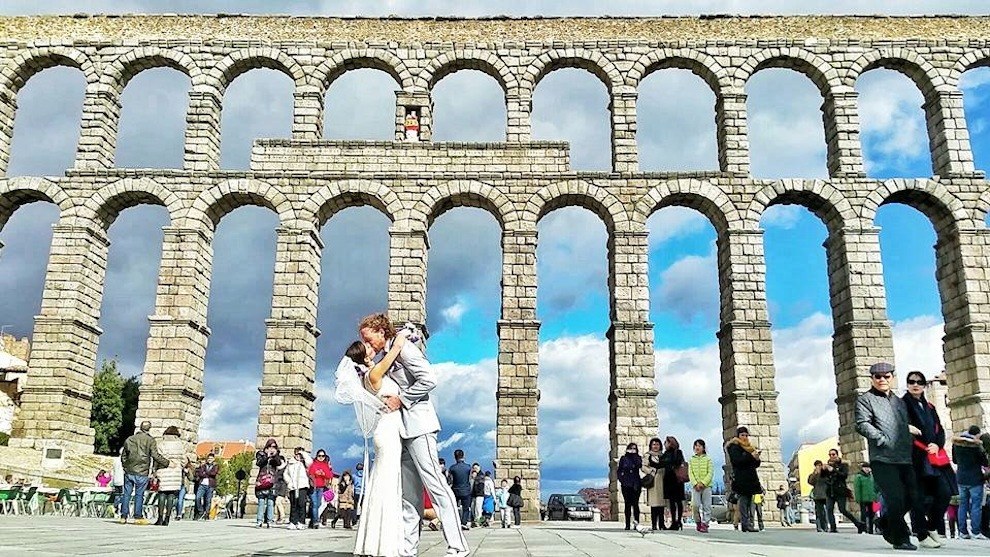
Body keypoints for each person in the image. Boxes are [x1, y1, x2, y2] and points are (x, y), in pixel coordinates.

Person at [358, 314, 469, 557]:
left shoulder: (405, 349)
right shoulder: (389, 353)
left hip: (420, 426)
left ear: (380, 331)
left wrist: (402, 399)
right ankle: (408, 550)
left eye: (368, 338)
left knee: (436, 485)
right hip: (401, 432)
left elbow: (429, 379)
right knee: (409, 495)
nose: (367, 343)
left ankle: (458, 546)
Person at [348, 325, 417, 555]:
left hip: (386, 429)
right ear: (363, 356)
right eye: (367, 346)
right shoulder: (374, 374)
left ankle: (375, 543)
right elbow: (395, 350)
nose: (372, 347)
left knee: (383, 483)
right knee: (387, 485)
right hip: (387, 432)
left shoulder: (371, 373)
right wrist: (402, 335)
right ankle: (386, 545)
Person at [855, 361, 931, 550]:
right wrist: (882, 439)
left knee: (912, 497)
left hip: (904, 457)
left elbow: (903, 424)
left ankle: (884, 521)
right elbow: (862, 424)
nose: (882, 379)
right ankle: (900, 538)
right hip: (882, 458)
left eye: (886, 376)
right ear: (872, 378)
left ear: (892, 378)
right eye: (878, 376)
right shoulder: (865, 400)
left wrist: (909, 437)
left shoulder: (899, 401)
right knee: (895, 498)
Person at [903, 370, 952, 545]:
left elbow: (940, 429)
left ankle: (932, 527)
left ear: (924, 385)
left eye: (919, 382)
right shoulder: (902, 404)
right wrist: (906, 427)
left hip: (932, 457)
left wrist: (937, 445)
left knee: (944, 493)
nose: (915, 385)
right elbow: (895, 425)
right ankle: (922, 535)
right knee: (918, 497)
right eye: (911, 381)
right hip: (914, 457)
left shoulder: (930, 407)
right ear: (907, 385)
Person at [119, 421, 169, 525]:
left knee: (126, 494)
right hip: (142, 471)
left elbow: (123, 455)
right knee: (139, 495)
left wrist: (126, 467)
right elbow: (155, 455)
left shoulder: (130, 439)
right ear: (149, 428)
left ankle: (123, 516)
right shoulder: (150, 440)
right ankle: (138, 517)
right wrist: (167, 462)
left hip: (129, 471)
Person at [953, 425, 989, 539]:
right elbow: (984, 462)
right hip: (975, 479)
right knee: (976, 506)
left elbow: (954, 460)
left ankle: (962, 532)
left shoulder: (956, 444)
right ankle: (976, 532)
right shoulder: (976, 445)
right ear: (977, 434)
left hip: (961, 478)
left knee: (962, 505)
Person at [725, 426, 762, 533]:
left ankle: (749, 523)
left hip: (751, 478)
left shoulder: (750, 447)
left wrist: (756, 458)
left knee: (750, 502)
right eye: (742, 435)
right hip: (741, 478)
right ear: (738, 436)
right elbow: (737, 461)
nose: (744, 437)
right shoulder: (733, 447)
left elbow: (755, 464)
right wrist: (750, 456)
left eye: (746, 435)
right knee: (743, 501)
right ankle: (745, 524)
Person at [822, 448, 865, 533]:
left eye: (833, 454)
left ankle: (858, 524)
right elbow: (823, 477)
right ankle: (833, 528)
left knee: (843, 510)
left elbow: (844, 475)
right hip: (830, 491)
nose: (831, 456)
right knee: (829, 509)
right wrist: (823, 470)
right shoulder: (828, 465)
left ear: (837, 455)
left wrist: (833, 470)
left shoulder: (843, 465)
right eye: (830, 455)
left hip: (840, 490)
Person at [154, 425, 185, 526]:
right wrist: (179, 465)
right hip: (176, 471)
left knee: (162, 493)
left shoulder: (161, 444)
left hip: (163, 470)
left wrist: (154, 470)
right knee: (171, 494)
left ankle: (160, 518)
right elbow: (184, 459)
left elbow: (157, 458)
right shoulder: (180, 445)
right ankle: (167, 518)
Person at [255, 438, 287, 528]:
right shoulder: (261, 454)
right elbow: (259, 463)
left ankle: (270, 521)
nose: (272, 448)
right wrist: (267, 456)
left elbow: (278, 463)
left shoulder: (276, 456)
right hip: (262, 481)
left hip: (272, 483)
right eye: (270, 446)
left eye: (274, 447)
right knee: (261, 502)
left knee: (270, 502)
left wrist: (275, 455)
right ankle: (259, 521)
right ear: (267, 447)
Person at [660, 436, 686, 530]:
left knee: (678, 501)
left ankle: (679, 521)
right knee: (671, 502)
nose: (665, 444)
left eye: (666, 442)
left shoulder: (678, 452)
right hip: (668, 479)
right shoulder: (665, 453)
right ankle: (674, 522)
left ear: (670, 443)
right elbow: (661, 463)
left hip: (677, 479)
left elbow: (678, 462)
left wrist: (668, 462)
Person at [688, 439, 714, 533]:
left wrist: (703, 483)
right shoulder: (691, 459)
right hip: (695, 486)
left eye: (699, 446)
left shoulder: (708, 459)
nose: (697, 447)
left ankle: (705, 523)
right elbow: (690, 473)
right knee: (695, 505)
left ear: (703, 448)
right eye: (696, 446)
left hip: (706, 486)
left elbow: (710, 472)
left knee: (707, 506)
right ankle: (698, 521)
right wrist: (695, 483)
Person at [641, 437, 666, 530]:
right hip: (653, 481)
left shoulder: (663, 455)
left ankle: (662, 524)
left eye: (657, 444)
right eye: (654, 444)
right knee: (654, 504)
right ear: (651, 446)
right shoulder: (648, 455)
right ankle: (654, 524)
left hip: (662, 480)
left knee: (661, 505)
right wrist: (651, 471)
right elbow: (643, 467)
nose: (655, 446)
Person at [617, 442, 643, 531]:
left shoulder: (638, 458)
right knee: (627, 504)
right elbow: (619, 470)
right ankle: (627, 524)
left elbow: (639, 465)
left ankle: (636, 523)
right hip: (626, 484)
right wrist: (622, 479)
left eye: (634, 448)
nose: (632, 450)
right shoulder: (624, 458)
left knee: (635, 504)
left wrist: (634, 456)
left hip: (636, 484)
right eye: (631, 448)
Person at [284, 448, 310, 530]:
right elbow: (285, 474)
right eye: (297, 454)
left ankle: (301, 522)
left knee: (301, 504)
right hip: (293, 487)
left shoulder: (305, 462)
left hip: (302, 486)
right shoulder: (290, 463)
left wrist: (303, 453)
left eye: (299, 454)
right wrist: (289, 482)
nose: (298, 456)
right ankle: (293, 521)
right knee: (293, 504)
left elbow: (310, 462)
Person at [308, 449, 333, 529]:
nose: (321, 457)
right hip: (314, 487)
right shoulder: (313, 465)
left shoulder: (325, 465)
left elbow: (329, 475)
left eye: (323, 456)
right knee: (315, 504)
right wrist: (316, 474)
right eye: (319, 456)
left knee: (318, 504)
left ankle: (312, 521)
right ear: (317, 456)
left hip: (321, 487)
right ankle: (316, 522)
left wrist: (323, 474)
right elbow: (310, 473)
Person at [448, 449, 473, 531]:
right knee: (466, 508)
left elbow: (450, 480)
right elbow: (470, 479)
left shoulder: (452, 468)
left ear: (455, 457)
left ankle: (454, 522)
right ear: (463, 456)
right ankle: (463, 523)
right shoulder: (468, 467)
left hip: (455, 490)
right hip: (466, 490)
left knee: (454, 508)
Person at [853, 462, 877, 534]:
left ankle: (871, 529)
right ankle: (863, 528)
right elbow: (857, 489)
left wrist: (876, 497)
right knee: (863, 514)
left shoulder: (872, 476)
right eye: (865, 467)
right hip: (863, 498)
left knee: (872, 514)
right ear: (862, 468)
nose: (867, 469)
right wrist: (858, 498)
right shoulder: (859, 477)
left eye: (868, 468)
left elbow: (875, 487)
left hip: (872, 498)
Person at [194, 453, 219, 520]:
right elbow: (200, 473)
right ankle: (201, 511)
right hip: (202, 484)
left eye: (211, 458)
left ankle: (206, 514)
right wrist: (207, 474)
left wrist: (205, 473)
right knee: (197, 498)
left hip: (210, 485)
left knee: (208, 500)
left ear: (213, 459)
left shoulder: (216, 466)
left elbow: (214, 473)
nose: (209, 460)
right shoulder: (203, 466)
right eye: (209, 458)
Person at [808, 461, 828, 532]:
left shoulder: (825, 473)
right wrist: (814, 474)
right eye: (817, 465)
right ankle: (819, 527)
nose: (818, 467)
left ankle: (825, 527)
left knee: (826, 512)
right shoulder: (813, 474)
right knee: (819, 513)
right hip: (817, 496)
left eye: (819, 465)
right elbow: (810, 482)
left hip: (826, 495)